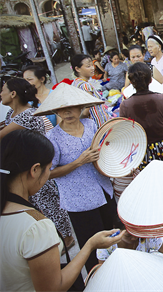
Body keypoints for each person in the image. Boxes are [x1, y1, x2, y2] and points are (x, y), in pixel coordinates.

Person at [0, 130, 124, 292]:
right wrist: (90, 246)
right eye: (49, 168)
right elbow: (53, 287)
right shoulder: (36, 227)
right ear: (35, 170)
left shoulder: (8, 210)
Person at [37, 84, 120, 272]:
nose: (67, 112)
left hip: (103, 192)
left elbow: (105, 150)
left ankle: (116, 273)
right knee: (92, 249)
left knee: (112, 238)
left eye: (72, 107)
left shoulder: (91, 125)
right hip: (79, 202)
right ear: (55, 111)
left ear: (80, 107)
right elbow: (47, 173)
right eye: (61, 108)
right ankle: (96, 279)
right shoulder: (52, 137)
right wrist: (78, 162)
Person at [1, 78, 74, 246]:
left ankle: (67, 238)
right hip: (24, 167)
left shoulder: (27, 115)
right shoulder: (10, 115)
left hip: (38, 166)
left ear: (13, 94)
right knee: (38, 204)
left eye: (3, 90)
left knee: (49, 203)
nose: (0, 93)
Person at [120, 63, 163, 169]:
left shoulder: (125, 105)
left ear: (131, 82)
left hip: (143, 151)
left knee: (151, 184)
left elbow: (126, 131)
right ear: (150, 80)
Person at [71, 54, 110, 128]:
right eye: (88, 66)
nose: (93, 68)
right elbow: (85, 112)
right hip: (99, 126)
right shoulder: (86, 86)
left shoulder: (75, 83)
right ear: (77, 69)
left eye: (92, 65)